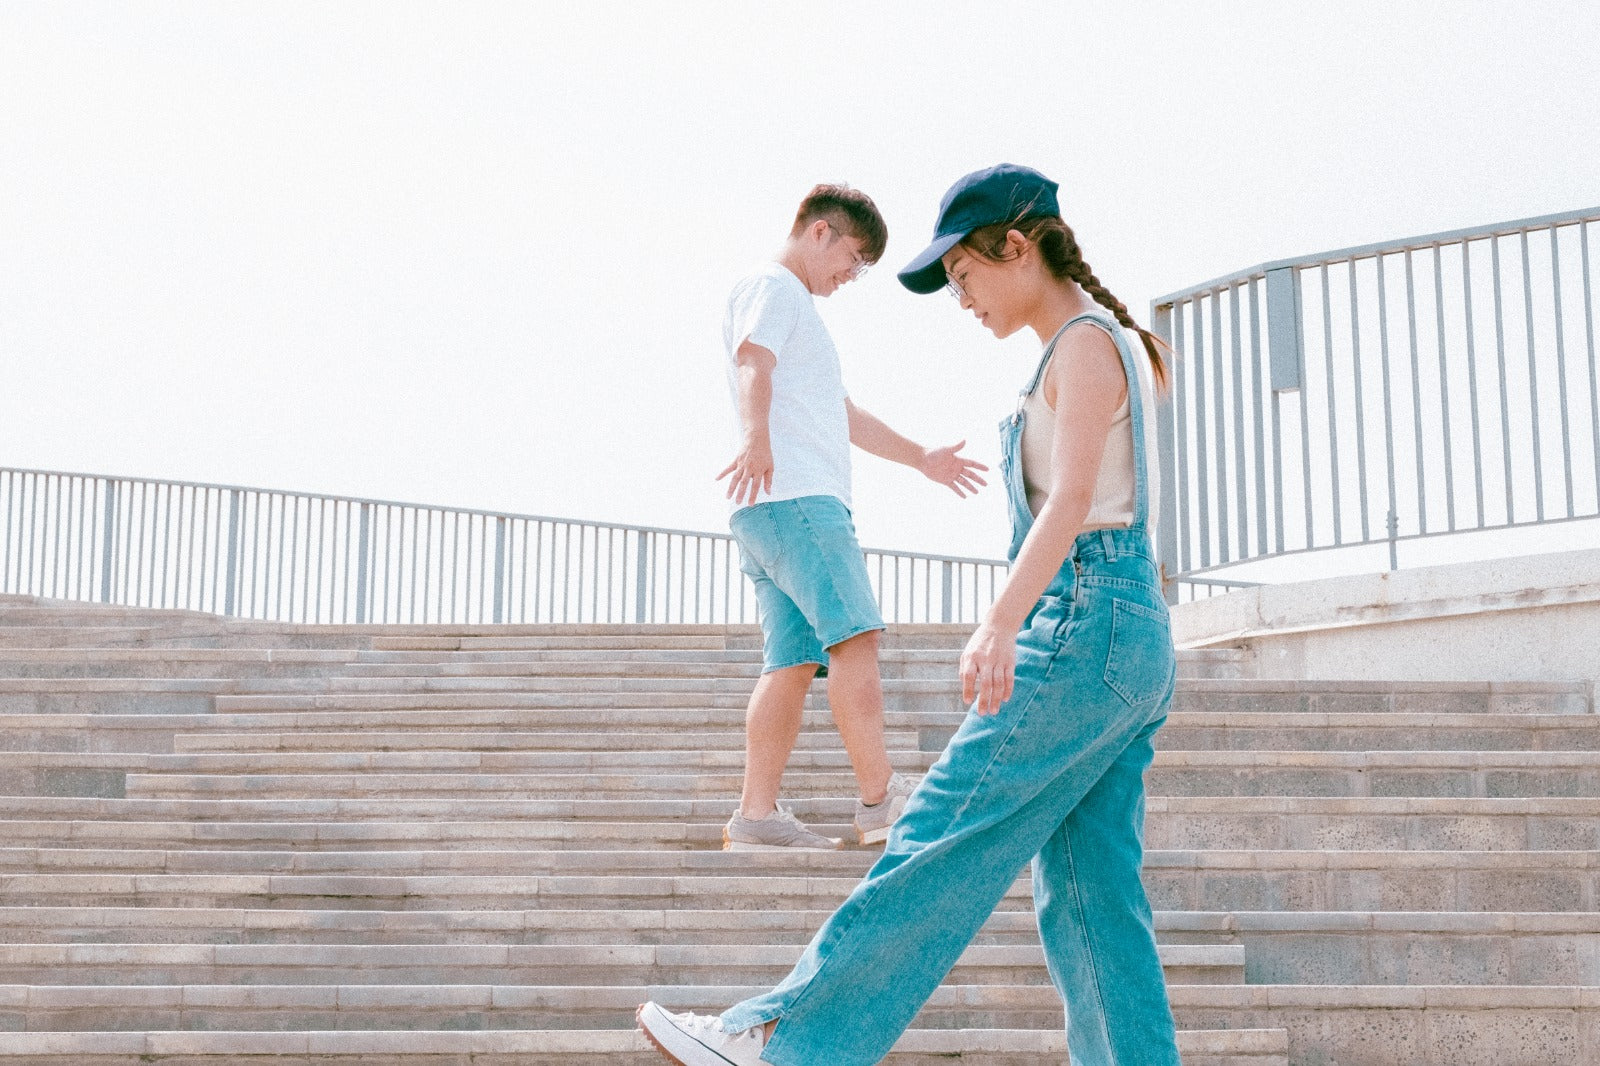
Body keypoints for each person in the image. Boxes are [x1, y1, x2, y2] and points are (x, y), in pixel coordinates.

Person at [639, 163, 1182, 1065]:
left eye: (965, 276)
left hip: (1086, 620)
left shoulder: (1085, 343)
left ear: (1016, 247)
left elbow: (1072, 499)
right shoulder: (1091, 344)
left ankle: (783, 1040)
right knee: (1093, 904)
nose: (961, 299)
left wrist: (1002, 621)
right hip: (1126, 634)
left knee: (937, 834)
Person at [717, 183, 989, 852]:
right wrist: (758, 438)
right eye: (854, 259)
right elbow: (754, 361)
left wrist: (920, 457)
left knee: (790, 663)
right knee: (854, 641)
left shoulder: (789, 306)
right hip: (799, 501)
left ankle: (756, 817)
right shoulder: (777, 289)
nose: (852, 276)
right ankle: (880, 805)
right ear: (819, 233)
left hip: (767, 511)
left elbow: (842, 414)